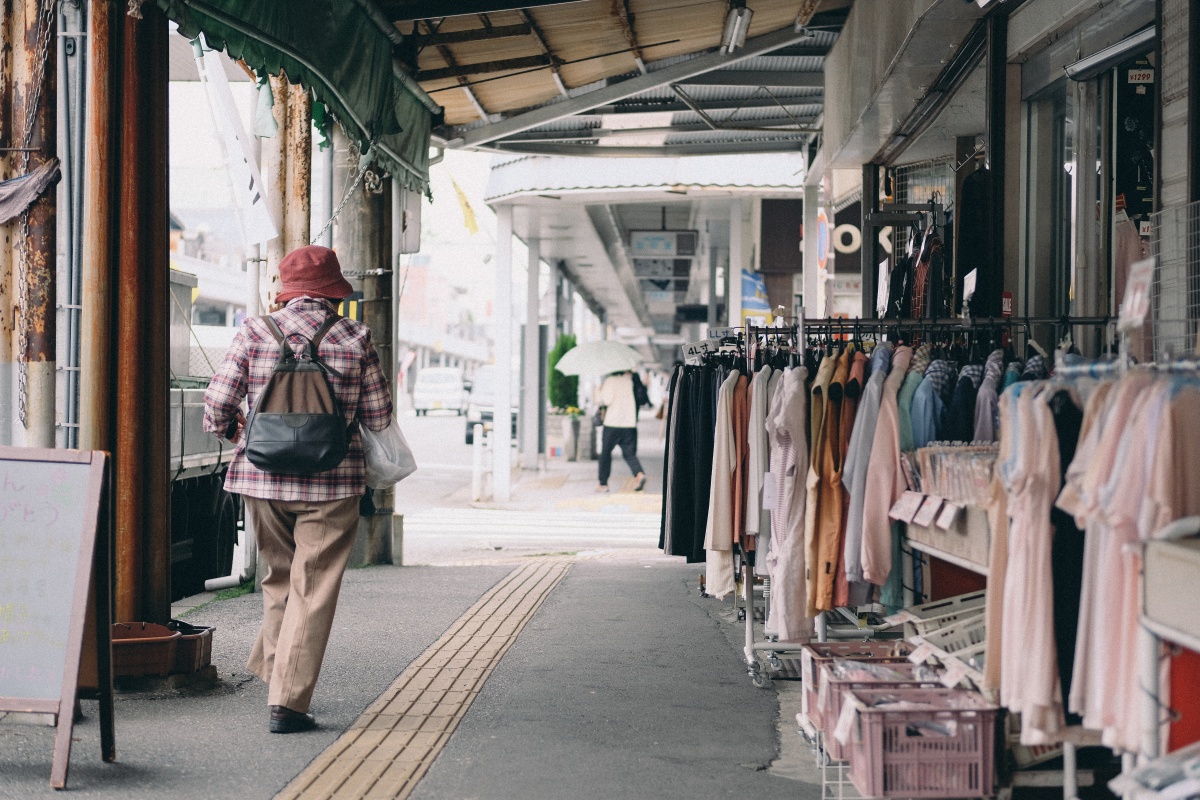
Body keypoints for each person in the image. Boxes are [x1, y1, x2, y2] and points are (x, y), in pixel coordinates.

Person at [202, 245, 393, 734]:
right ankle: (286, 700)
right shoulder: (355, 337)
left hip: (262, 477)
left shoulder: (255, 331)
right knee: (314, 587)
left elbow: (217, 405)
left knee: (281, 577)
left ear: (285, 290)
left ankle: (276, 673)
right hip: (333, 481)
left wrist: (239, 436)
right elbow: (378, 417)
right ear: (332, 293)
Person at [596, 370, 646, 492]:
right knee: (629, 454)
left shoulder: (610, 381)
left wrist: (600, 390)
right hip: (629, 423)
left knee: (606, 453)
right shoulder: (630, 381)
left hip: (612, 423)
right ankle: (639, 474)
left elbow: (606, 401)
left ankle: (603, 484)